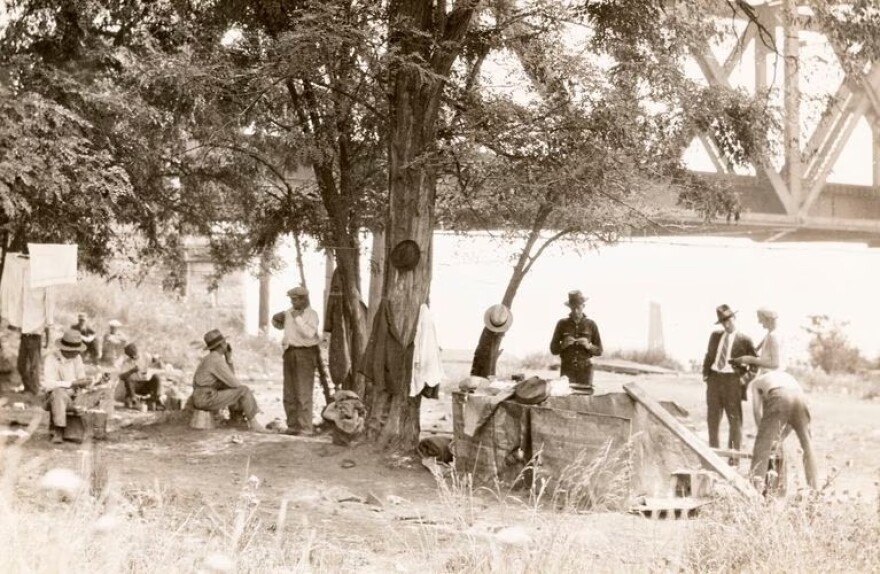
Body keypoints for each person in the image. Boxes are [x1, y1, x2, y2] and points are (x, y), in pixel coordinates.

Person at [746, 370, 818, 490]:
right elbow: (792, 420)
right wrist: (779, 437)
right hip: (800, 398)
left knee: (762, 446)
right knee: (807, 445)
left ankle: (754, 491)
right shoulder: (785, 377)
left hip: (779, 396)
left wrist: (765, 435)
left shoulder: (756, 382)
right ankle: (815, 490)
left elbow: (756, 412)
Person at [701, 304, 757, 457]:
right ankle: (713, 459)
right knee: (712, 420)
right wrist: (706, 375)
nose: (726, 324)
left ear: (735, 318)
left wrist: (744, 379)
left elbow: (755, 364)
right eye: (723, 322)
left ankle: (733, 462)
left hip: (733, 382)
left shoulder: (745, 340)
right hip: (714, 380)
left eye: (728, 320)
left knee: (734, 422)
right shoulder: (715, 336)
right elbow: (709, 356)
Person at [192, 329, 270, 433]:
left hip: (201, 396)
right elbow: (235, 383)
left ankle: (236, 420)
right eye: (224, 342)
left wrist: (228, 359)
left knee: (232, 388)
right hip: (205, 398)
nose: (226, 344)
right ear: (222, 345)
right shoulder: (216, 359)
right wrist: (228, 359)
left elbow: (230, 380)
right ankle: (254, 424)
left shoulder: (211, 357)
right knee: (244, 390)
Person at [272, 286, 320, 435]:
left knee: (303, 392)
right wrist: (276, 318)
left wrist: (296, 318)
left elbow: (309, 333)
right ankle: (292, 426)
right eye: (291, 300)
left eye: (295, 300)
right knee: (289, 392)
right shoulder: (288, 313)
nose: (292, 303)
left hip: (305, 353)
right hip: (289, 352)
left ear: (304, 299)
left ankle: (305, 428)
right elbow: (278, 325)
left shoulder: (312, 314)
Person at [42, 329, 94, 444]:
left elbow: (81, 378)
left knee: (98, 393)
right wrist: (72, 383)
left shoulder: (77, 358)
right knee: (58, 393)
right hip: (53, 398)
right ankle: (58, 430)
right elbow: (48, 384)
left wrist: (86, 383)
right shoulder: (51, 359)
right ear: (66, 349)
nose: (77, 352)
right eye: (75, 350)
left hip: (74, 398)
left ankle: (83, 430)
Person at [549, 290, 603, 395]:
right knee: (566, 398)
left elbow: (599, 351)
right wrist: (563, 345)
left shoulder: (591, 324)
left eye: (578, 308)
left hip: (585, 370)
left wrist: (588, 346)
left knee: (584, 400)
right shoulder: (562, 324)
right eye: (573, 308)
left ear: (584, 306)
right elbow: (553, 349)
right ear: (569, 307)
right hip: (567, 369)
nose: (576, 311)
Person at [118, 343, 163, 410]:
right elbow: (121, 376)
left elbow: (154, 361)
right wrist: (131, 371)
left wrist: (157, 359)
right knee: (128, 379)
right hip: (135, 387)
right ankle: (134, 400)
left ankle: (153, 400)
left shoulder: (145, 356)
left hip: (145, 384)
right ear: (129, 356)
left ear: (137, 351)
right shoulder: (127, 362)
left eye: (135, 354)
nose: (134, 357)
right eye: (132, 356)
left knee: (156, 377)